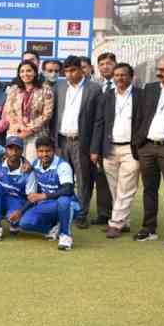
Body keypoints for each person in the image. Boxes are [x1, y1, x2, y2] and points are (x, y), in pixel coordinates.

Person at [134, 55, 164, 248]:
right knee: (149, 190)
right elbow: (141, 116)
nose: (158, 72)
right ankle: (148, 228)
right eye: (157, 68)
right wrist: (138, 143)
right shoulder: (151, 89)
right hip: (147, 147)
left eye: (162, 69)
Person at [90, 63, 142, 238]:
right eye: (117, 75)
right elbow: (99, 123)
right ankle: (124, 221)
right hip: (109, 148)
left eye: (123, 75)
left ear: (131, 77)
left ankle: (116, 223)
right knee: (114, 188)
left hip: (131, 149)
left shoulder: (141, 96)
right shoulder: (106, 96)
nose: (119, 78)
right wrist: (95, 149)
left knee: (126, 187)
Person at [50, 55, 102, 229]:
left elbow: (97, 121)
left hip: (82, 142)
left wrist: (95, 148)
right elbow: (54, 115)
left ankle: (82, 214)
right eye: (66, 71)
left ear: (81, 70)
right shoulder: (59, 86)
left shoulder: (94, 89)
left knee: (83, 180)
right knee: (62, 179)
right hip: (62, 140)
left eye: (73, 70)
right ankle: (63, 210)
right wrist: (53, 142)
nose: (69, 74)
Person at [14, 136, 78, 251]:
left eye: (48, 151)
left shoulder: (63, 166)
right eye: (41, 151)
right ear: (37, 152)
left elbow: (68, 190)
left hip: (68, 204)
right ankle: (53, 229)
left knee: (63, 200)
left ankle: (65, 235)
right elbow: (33, 196)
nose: (44, 154)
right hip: (48, 205)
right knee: (24, 223)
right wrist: (21, 211)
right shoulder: (35, 164)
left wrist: (43, 196)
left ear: (54, 151)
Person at [0, 61, 54, 162]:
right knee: (14, 163)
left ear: (35, 72)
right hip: (16, 132)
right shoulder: (14, 89)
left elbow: (47, 114)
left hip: (36, 134)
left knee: (31, 164)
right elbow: (9, 111)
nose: (25, 74)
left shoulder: (45, 89)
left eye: (29, 71)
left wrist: (30, 129)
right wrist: (20, 126)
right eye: (22, 71)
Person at [0, 136, 35, 241]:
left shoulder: (28, 170)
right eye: (10, 148)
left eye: (17, 149)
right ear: (6, 149)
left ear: (22, 150)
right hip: (2, 197)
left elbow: (32, 198)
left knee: (16, 221)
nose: (14, 152)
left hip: (17, 201)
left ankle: (13, 223)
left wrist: (20, 212)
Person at [92, 51, 118, 225]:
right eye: (101, 64)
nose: (105, 67)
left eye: (109, 63)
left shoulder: (126, 85)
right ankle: (103, 214)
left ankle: (118, 216)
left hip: (117, 140)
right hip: (98, 139)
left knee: (118, 182)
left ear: (115, 65)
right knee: (100, 179)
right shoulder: (96, 87)